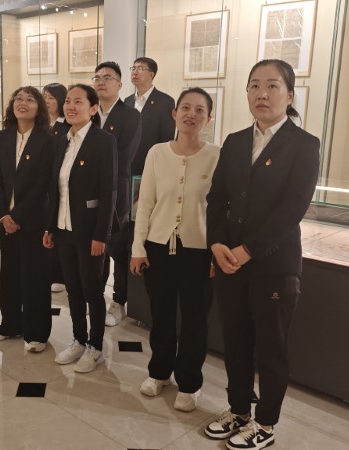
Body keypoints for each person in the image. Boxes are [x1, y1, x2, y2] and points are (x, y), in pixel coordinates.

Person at [204, 60, 321, 450]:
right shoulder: (236, 141)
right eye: (254, 86)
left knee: (271, 348)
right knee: (235, 342)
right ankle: (239, 410)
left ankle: (266, 423)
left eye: (272, 86)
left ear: (289, 95)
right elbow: (217, 198)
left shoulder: (304, 145)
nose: (262, 94)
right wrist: (217, 244)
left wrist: (248, 249)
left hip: (273, 265)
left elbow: (292, 209)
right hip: (229, 262)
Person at [130, 87, 219, 412]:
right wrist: (138, 248)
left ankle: (190, 382)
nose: (191, 114)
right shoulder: (157, 153)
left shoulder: (217, 156)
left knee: (195, 320)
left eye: (199, 110)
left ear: (209, 118)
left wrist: (216, 252)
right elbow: (145, 204)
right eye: (185, 108)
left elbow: (221, 210)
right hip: (158, 247)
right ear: (174, 113)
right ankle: (159, 372)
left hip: (199, 252)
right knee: (161, 315)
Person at [43, 84, 117, 373]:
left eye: (78, 102)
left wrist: (101, 235)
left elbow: (109, 192)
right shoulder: (62, 139)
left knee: (92, 291)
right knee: (72, 289)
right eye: (68, 102)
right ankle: (78, 339)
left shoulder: (103, 141)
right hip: (64, 228)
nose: (71, 106)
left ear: (93, 108)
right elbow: (56, 188)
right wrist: (50, 227)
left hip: (89, 232)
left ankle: (95, 347)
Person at [0, 86, 54, 353]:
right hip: (7, 220)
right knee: (10, 273)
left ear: (39, 108)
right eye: (18, 98)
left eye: (30, 99)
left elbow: (42, 185)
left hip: (33, 219)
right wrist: (3, 214)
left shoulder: (47, 139)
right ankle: (11, 324)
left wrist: (16, 216)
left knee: (34, 276)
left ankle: (37, 332)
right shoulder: (4, 136)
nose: (22, 103)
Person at [92, 61, 141, 327]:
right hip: (88, 194)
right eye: (97, 77)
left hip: (116, 192)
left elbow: (123, 158)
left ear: (120, 84)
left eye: (107, 77)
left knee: (118, 249)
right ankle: (95, 297)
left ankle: (119, 301)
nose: (101, 81)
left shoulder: (130, 116)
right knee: (95, 247)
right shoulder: (90, 114)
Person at [125, 57, 176, 176]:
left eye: (140, 68)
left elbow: (166, 139)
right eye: (133, 68)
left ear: (151, 74)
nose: (135, 72)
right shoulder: (128, 101)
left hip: (151, 166)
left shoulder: (165, 102)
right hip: (127, 167)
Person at [42, 82, 71, 294]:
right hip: (42, 186)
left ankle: (60, 274)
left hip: (59, 186)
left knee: (57, 230)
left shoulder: (66, 127)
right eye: (44, 97)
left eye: (51, 97)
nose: (47, 101)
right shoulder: (42, 125)